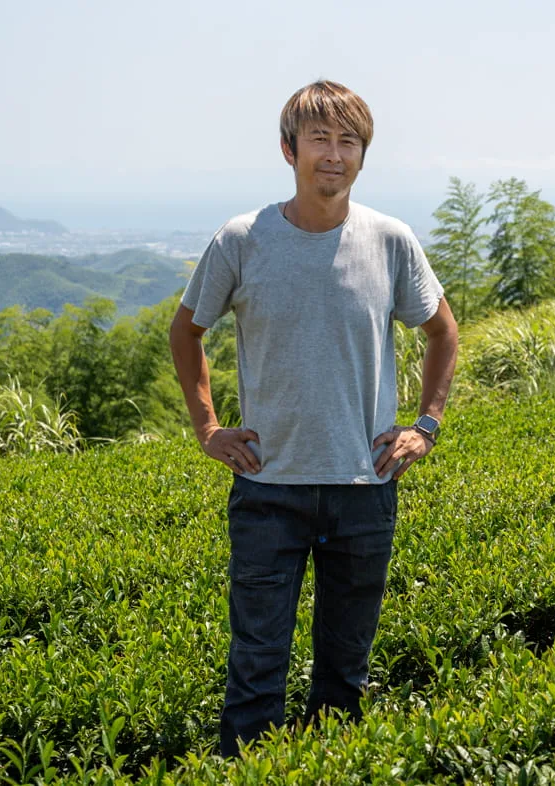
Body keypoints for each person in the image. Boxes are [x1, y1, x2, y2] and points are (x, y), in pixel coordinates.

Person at [166, 79, 460, 757]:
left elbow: (443, 332)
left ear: (363, 155)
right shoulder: (243, 239)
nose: (334, 154)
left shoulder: (391, 240)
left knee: (344, 678)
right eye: (320, 139)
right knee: (255, 675)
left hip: (366, 491)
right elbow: (187, 332)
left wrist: (428, 425)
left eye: (348, 141)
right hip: (269, 491)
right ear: (288, 149)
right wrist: (209, 429)